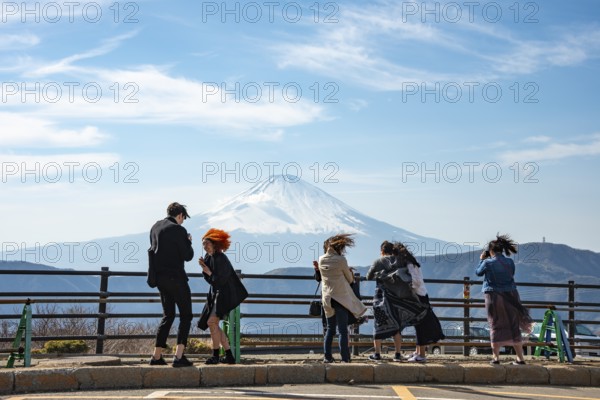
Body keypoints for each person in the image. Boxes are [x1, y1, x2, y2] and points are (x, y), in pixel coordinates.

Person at [149, 202, 195, 367]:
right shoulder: (178, 230)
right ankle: (179, 356)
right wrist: (188, 241)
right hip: (176, 278)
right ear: (180, 215)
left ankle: (156, 356)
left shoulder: (155, 227)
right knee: (186, 315)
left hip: (160, 279)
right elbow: (188, 256)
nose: (183, 222)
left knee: (168, 315)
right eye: (183, 218)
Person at [366, 241, 428, 362]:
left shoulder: (378, 262)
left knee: (379, 324)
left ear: (382, 251)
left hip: (381, 297)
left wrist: (379, 275)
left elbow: (368, 276)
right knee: (396, 326)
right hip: (397, 298)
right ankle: (398, 354)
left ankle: (377, 354)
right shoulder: (399, 260)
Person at [476, 234, 532, 365]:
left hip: (493, 296)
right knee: (513, 325)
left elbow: (478, 272)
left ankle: (496, 358)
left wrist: (481, 259)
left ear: (491, 251)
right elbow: (511, 274)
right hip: (511, 295)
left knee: (495, 324)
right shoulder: (510, 262)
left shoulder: (487, 262)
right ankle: (520, 358)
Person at [198, 228, 248, 365]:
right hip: (216, 295)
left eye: (207, 244)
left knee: (211, 322)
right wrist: (205, 270)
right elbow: (211, 280)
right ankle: (229, 355)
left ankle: (216, 356)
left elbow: (220, 280)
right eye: (203, 244)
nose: (204, 246)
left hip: (226, 295)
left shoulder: (222, 259)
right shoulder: (209, 258)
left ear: (215, 244)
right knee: (213, 323)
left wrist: (208, 271)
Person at [316, 234, 367, 363]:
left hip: (327, 298)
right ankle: (345, 358)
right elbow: (350, 279)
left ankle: (327, 357)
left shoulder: (321, 259)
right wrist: (349, 272)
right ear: (339, 248)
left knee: (330, 329)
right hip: (340, 298)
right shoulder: (341, 260)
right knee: (343, 331)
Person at [394, 242, 445, 363]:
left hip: (418, 297)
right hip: (421, 295)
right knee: (418, 324)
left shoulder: (409, 264)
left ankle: (421, 354)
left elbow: (415, 281)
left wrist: (408, 286)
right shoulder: (411, 262)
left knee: (420, 325)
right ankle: (418, 352)